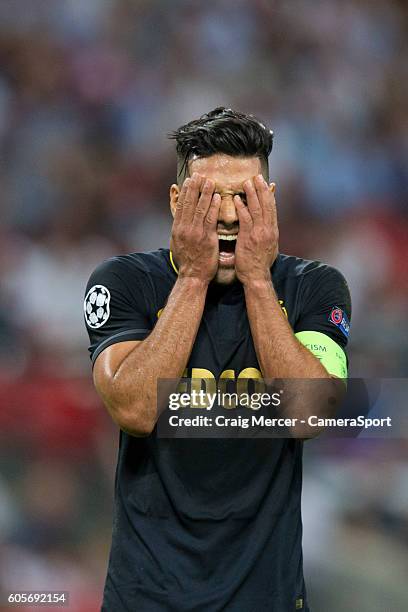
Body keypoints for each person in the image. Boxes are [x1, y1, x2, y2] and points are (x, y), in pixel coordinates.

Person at [84, 107, 351, 611]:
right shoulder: (124, 283)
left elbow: (310, 412)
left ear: (270, 203)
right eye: (209, 197)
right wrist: (191, 278)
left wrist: (256, 278)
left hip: (266, 597)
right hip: (146, 598)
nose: (228, 215)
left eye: (245, 197)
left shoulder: (315, 287)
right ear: (176, 201)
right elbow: (135, 410)